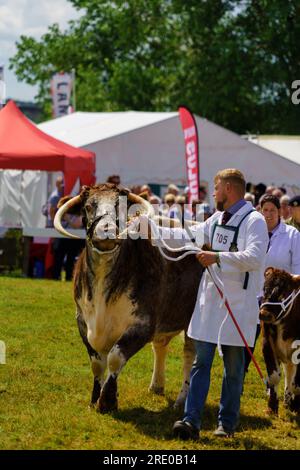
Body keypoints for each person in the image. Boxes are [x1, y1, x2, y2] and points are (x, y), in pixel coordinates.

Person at [168, 168, 268, 440]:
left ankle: (226, 424)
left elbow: (255, 257)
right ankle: (190, 421)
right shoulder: (216, 219)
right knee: (201, 362)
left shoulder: (254, 221)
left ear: (228, 189)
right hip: (211, 303)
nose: (213, 193)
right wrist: (148, 229)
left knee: (234, 369)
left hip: (238, 304)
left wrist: (217, 257)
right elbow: (188, 235)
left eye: (216, 188)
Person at [244, 195, 300, 374]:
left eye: (272, 210)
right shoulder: (251, 232)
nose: (268, 214)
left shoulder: (292, 234)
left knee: (280, 341)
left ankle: (286, 381)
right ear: (259, 211)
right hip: (253, 293)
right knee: (249, 338)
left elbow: (298, 267)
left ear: (280, 212)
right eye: (265, 210)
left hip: (281, 299)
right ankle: (241, 374)